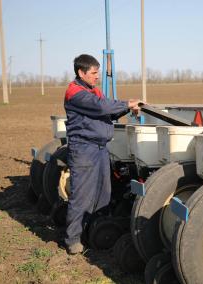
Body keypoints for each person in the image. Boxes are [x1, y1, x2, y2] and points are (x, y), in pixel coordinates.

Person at [63, 54, 141, 254]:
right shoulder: (76, 93)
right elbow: (101, 107)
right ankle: (73, 240)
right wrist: (126, 103)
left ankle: (93, 232)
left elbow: (109, 111)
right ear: (81, 73)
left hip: (99, 149)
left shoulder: (92, 91)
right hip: (84, 149)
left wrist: (127, 108)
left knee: (103, 194)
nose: (97, 76)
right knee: (81, 196)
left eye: (98, 72)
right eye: (94, 73)